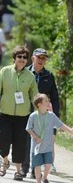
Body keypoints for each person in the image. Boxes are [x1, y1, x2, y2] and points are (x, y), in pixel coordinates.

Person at [0, 45, 38, 181]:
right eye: (19, 57)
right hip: (5, 113)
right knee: (3, 141)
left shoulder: (30, 76)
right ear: (14, 58)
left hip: (23, 116)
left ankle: (18, 171)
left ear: (27, 60)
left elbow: (35, 96)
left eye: (24, 57)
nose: (22, 59)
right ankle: (4, 161)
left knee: (20, 143)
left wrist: (41, 111)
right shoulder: (5, 71)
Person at [22, 48, 60, 178]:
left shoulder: (48, 76)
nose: (41, 60)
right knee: (25, 142)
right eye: (39, 57)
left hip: (41, 116)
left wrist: (56, 119)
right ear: (33, 58)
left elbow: (55, 98)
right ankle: (24, 168)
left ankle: (35, 170)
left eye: (44, 58)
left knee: (38, 143)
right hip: (25, 113)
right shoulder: (24, 72)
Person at [26, 93, 73, 183]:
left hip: (48, 146)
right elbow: (28, 129)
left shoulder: (51, 115)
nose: (48, 103)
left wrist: (70, 130)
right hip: (37, 146)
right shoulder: (33, 116)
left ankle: (44, 177)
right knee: (37, 165)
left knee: (48, 164)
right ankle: (38, 181)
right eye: (46, 101)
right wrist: (35, 137)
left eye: (48, 100)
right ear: (39, 104)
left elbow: (60, 125)